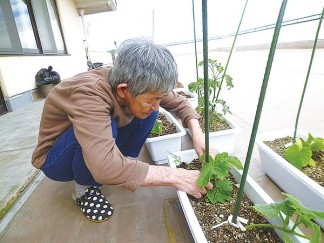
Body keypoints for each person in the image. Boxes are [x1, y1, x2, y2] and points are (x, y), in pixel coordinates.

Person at [32, 38, 213, 223]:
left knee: (149, 112)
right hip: (55, 159)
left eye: (159, 97)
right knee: (108, 129)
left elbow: (179, 102)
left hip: (89, 142)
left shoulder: (137, 80)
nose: (156, 104)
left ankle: (124, 164)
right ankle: (84, 190)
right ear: (122, 89)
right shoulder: (89, 94)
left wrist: (198, 134)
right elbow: (104, 168)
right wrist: (176, 176)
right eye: (153, 98)